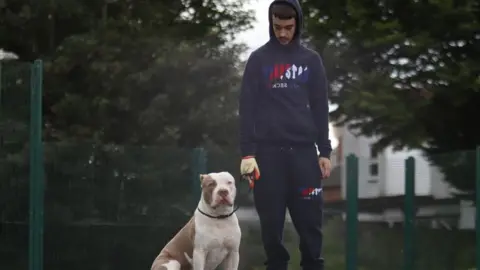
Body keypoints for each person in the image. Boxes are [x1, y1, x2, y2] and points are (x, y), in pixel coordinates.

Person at [238, 0, 332, 269]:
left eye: (288, 27)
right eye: (277, 27)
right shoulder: (258, 60)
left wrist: (324, 151)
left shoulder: (311, 61)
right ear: (271, 24)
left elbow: (320, 107)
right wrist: (248, 153)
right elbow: (247, 109)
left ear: (297, 25)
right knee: (271, 230)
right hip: (267, 159)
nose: (282, 33)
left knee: (311, 227)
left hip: (304, 157)